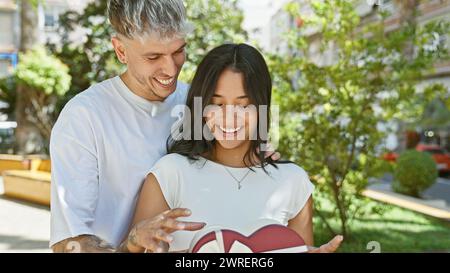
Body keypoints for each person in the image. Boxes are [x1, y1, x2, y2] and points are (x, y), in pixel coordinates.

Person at [50, 0, 278, 253]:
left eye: (178, 51)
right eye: (153, 57)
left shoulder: (197, 103)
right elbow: (68, 243)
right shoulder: (84, 117)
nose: (170, 69)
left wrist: (253, 161)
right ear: (120, 50)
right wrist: (131, 244)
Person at [125, 44, 343, 253]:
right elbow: (135, 248)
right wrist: (134, 241)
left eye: (243, 105)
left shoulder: (293, 182)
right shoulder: (170, 174)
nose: (229, 118)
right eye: (217, 104)